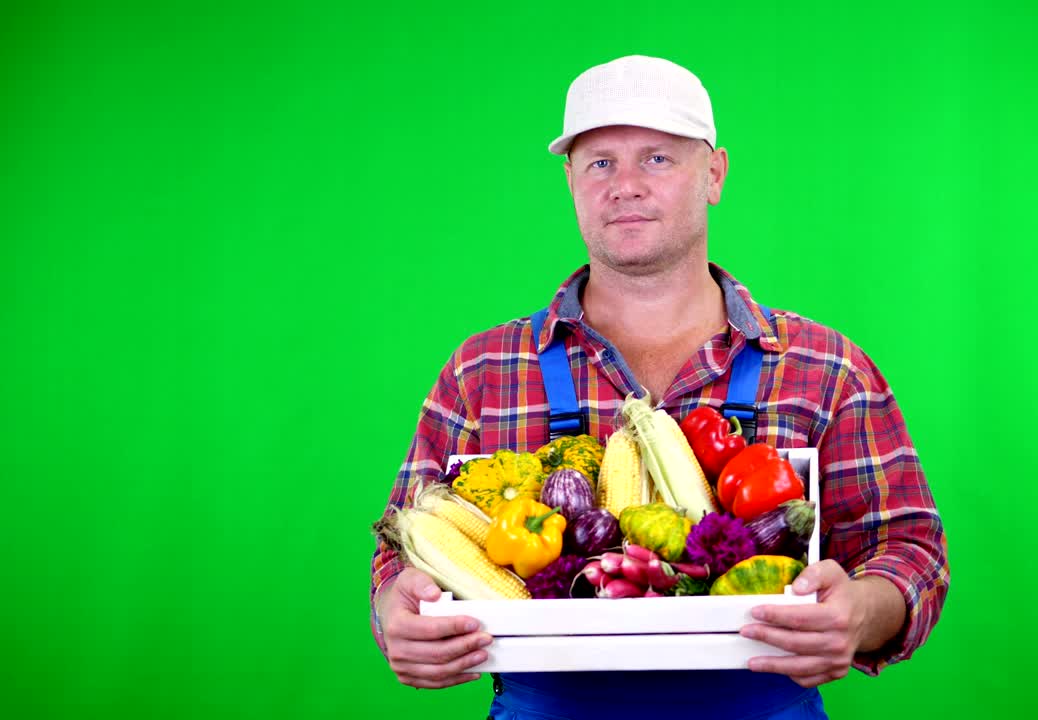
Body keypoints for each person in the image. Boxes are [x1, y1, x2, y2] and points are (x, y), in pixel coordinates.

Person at [369, 55, 949, 720]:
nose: (625, 185)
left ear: (716, 174)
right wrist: (398, 614)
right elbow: (398, 551)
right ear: (571, 181)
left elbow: (909, 549)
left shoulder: (824, 365)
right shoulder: (483, 370)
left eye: (657, 159)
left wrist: (866, 612)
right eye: (600, 162)